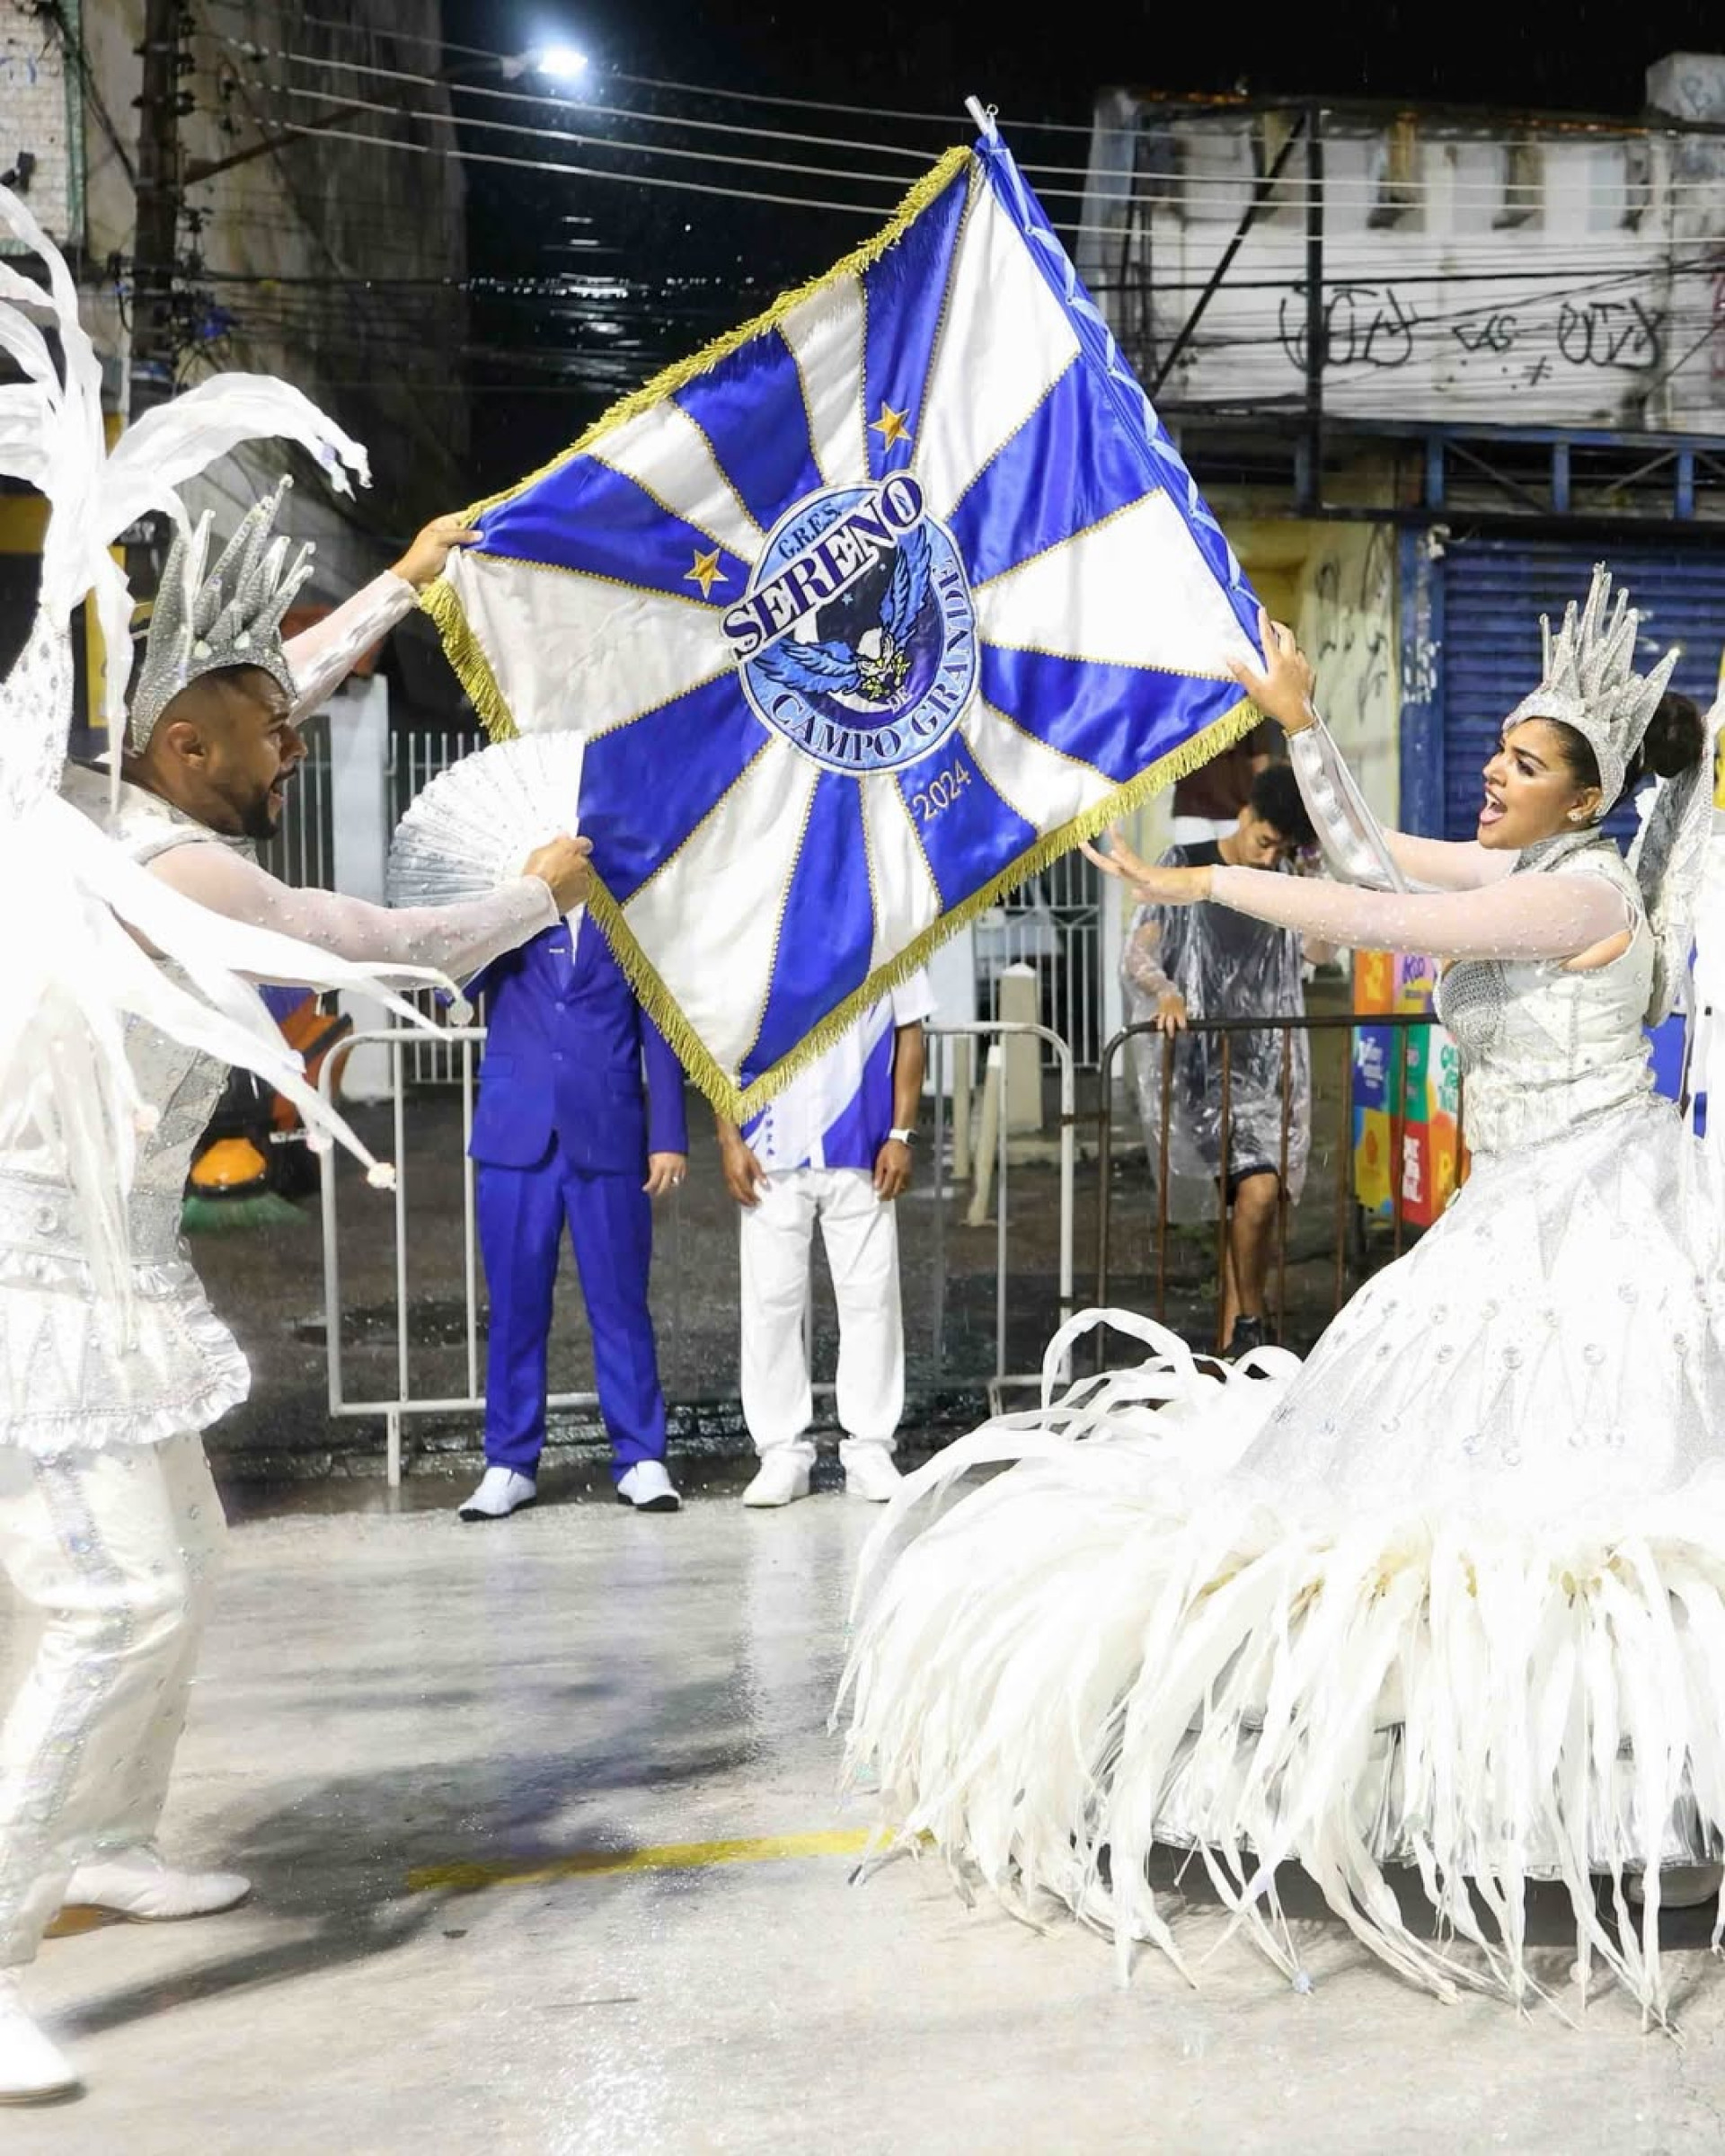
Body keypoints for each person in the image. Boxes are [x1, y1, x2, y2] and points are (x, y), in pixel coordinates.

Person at [841, 571, 1725, 2024]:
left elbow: (1369, 904)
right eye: (1495, 750)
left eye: (1522, 761)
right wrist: (1302, 730)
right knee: (1395, 1486)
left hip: (1598, 1216)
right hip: (1511, 1208)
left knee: (1583, 1514)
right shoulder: (1533, 871)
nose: (1495, 774)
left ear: (1586, 799)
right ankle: (1454, 1773)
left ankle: (1634, 1805)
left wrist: (1210, 883)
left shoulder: (1578, 891)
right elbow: (1373, 848)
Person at [0, 311, 592, 2106]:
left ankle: (100, 1832)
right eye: (259, 735)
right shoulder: (165, 860)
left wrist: (402, 583)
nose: (292, 745)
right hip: (29, 1281)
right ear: (187, 742)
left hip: (98, 1262)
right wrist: (531, 899)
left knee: (165, 1572)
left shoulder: (121, 798)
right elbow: (393, 943)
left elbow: (272, 677)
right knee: (111, 1604)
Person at [456, 916, 689, 1521]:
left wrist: (668, 1134)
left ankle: (642, 1457)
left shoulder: (631, 916)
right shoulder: (509, 915)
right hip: (513, 1135)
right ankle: (508, 1463)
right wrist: (512, 908)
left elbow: (658, 1023)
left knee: (620, 1303)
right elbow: (452, 987)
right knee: (514, 1308)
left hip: (609, 1133)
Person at [1120, 761, 1326, 1356]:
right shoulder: (1188, 864)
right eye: (1265, 842)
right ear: (1245, 815)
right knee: (1245, 1199)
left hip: (1267, 1071)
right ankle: (1242, 1335)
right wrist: (1166, 990)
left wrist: (1312, 875)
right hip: (1201, 1065)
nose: (1267, 859)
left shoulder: (1287, 879)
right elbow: (1139, 950)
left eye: (1282, 849)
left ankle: (1242, 1336)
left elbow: (1320, 950)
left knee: (1256, 1197)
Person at [715, 977, 932, 1507]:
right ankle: (781, 1452)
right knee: (771, 1303)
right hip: (769, 1143)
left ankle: (870, 1449)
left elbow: (911, 1030)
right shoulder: (754, 929)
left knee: (871, 1300)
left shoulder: (888, 924)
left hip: (860, 1141)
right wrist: (729, 1137)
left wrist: (901, 1135)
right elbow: (718, 1039)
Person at [1169, 714, 1279, 844]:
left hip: (1237, 809)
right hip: (1191, 807)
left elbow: (1260, 758)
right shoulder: (1182, 701)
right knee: (1191, 862)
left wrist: (1260, 805)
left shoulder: (1243, 699)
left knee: (1237, 864)